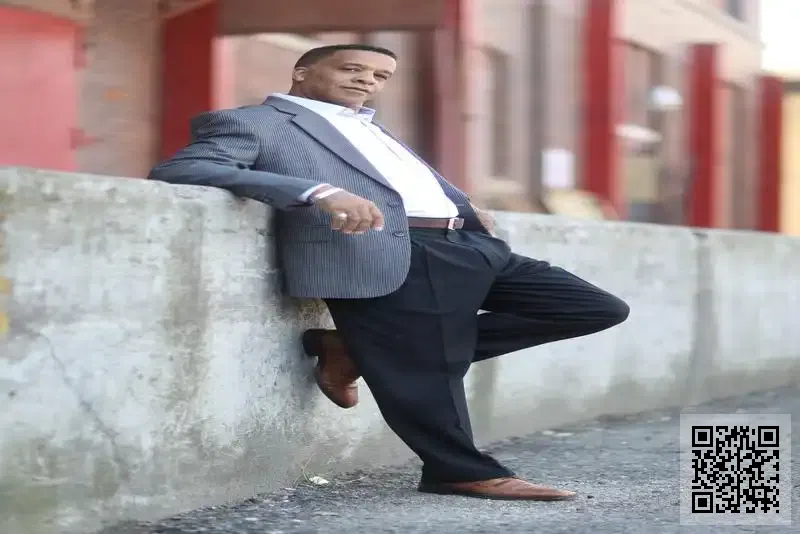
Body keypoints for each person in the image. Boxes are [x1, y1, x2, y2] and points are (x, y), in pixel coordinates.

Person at [149, 44, 630, 501]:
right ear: (302, 71)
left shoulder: (372, 127)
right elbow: (185, 169)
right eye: (352, 69)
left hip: (467, 244)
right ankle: (460, 471)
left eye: (380, 76)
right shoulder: (254, 122)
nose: (367, 81)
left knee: (594, 308)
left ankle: (355, 348)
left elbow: (398, 182)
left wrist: (461, 208)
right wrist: (315, 192)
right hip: (384, 248)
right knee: (430, 366)